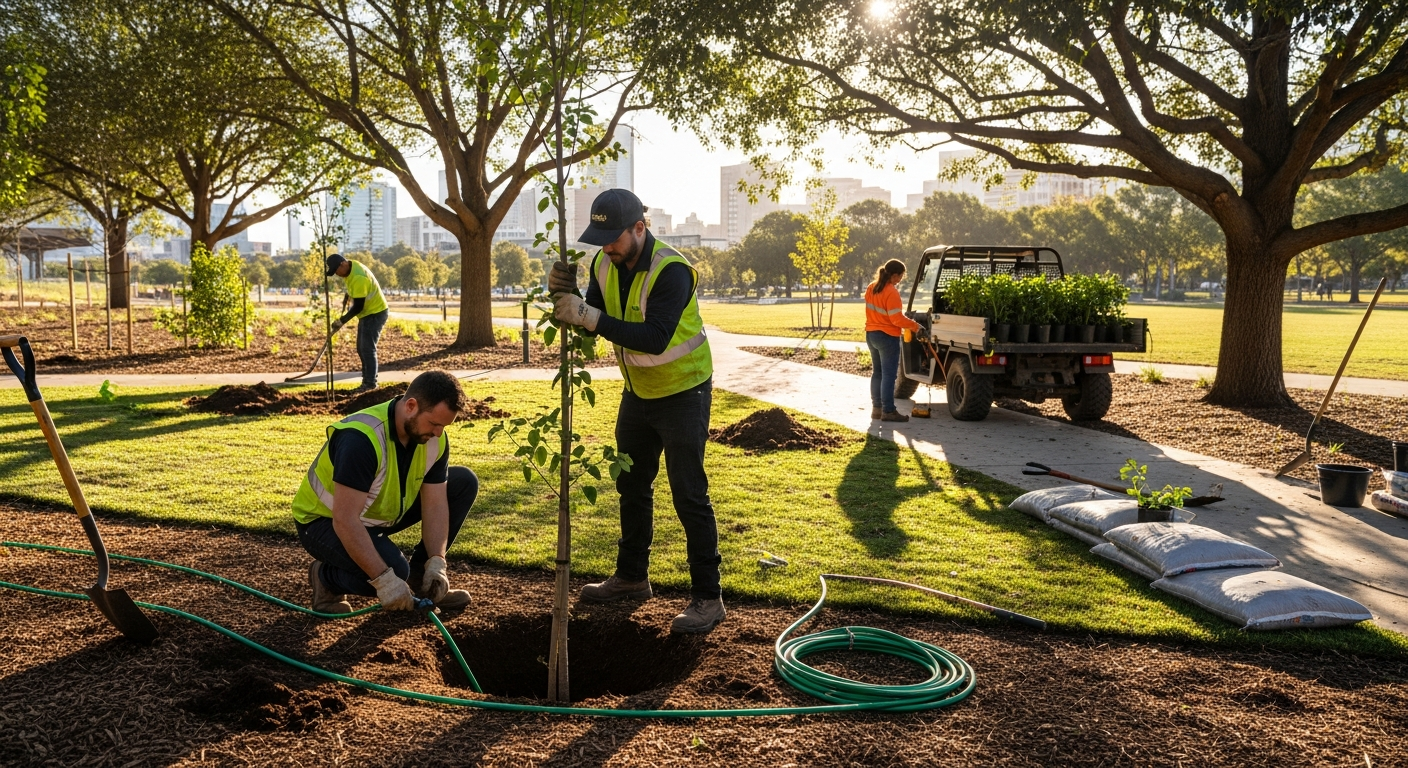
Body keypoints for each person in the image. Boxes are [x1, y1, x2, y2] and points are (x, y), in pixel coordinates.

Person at [547, 189, 724, 635]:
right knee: (631, 483)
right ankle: (631, 578)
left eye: (613, 236)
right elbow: (587, 325)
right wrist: (561, 302)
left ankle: (708, 597)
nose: (606, 245)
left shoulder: (672, 270)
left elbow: (655, 337)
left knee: (689, 494)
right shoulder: (604, 264)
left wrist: (587, 316)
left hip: (684, 392)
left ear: (639, 228)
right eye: (600, 237)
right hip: (638, 392)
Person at [293, 370, 478, 613]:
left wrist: (437, 560)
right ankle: (326, 578)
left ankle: (423, 582)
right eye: (434, 423)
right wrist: (385, 580)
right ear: (411, 406)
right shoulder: (361, 439)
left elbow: (435, 504)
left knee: (463, 481)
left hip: (372, 516)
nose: (438, 433)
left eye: (443, 426)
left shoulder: (433, 439)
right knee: (393, 573)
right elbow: (345, 520)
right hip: (323, 522)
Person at [865, 258, 922, 422]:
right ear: (895, 275)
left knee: (877, 373)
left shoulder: (871, 288)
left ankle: (877, 409)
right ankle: (889, 411)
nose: (901, 280)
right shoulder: (891, 292)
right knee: (889, 376)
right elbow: (896, 319)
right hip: (887, 337)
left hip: (871, 334)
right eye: (901, 276)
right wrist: (916, 326)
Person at [326, 250, 389, 392]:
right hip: (368, 313)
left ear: (343, 264)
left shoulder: (359, 277)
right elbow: (353, 287)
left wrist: (342, 321)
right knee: (361, 349)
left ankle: (370, 384)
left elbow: (358, 307)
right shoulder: (351, 267)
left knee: (367, 349)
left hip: (375, 313)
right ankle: (367, 381)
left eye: (336, 271)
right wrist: (347, 295)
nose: (336, 274)